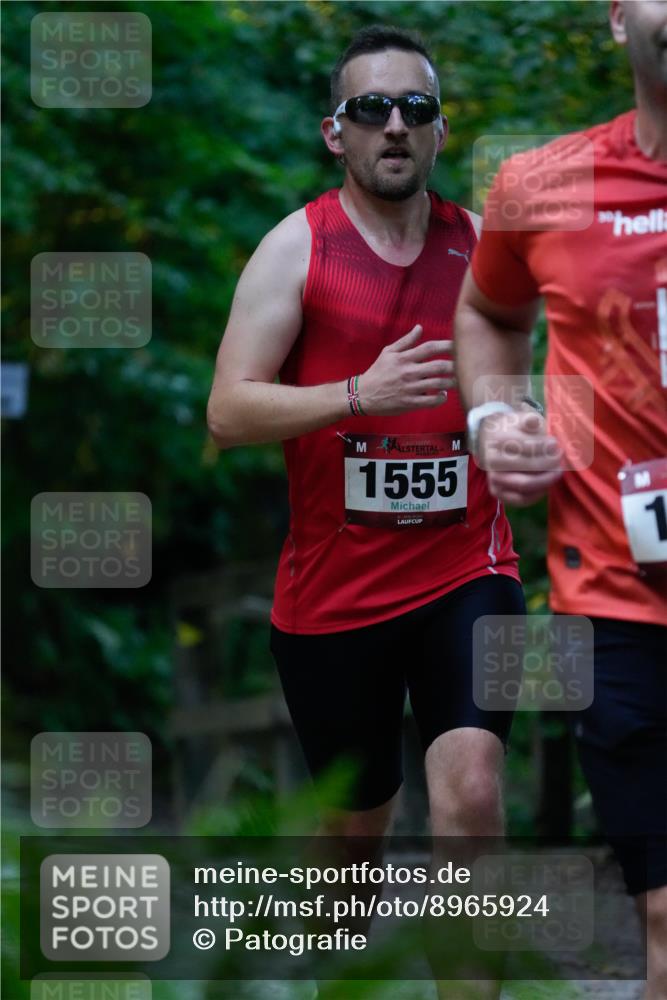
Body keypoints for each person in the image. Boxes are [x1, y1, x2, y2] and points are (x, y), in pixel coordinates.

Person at [207, 25, 522, 998]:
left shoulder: (485, 249)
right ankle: (338, 971)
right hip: (334, 599)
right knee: (354, 840)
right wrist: (356, 395)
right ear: (333, 132)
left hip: (468, 571)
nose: (394, 125)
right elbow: (228, 411)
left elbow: (527, 387)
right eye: (371, 108)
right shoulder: (295, 248)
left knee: (471, 791)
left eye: (414, 108)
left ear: (438, 131)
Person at [454, 2, 667, 998]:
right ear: (618, 16)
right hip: (618, 597)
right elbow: (487, 311)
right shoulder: (542, 182)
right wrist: (495, 420)